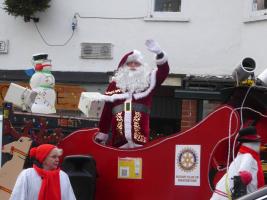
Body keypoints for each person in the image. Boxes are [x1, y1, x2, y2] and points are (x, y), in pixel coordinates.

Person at [95, 39, 169, 148]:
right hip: (118, 141)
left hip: (140, 141)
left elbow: (163, 72)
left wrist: (160, 54)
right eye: (130, 63)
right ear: (123, 67)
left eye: (137, 63)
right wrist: (102, 134)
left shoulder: (147, 82)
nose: (133, 66)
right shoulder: (114, 85)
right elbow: (106, 112)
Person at [210, 126, 264, 200]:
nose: (259, 145)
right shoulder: (248, 156)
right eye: (257, 142)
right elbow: (243, 175)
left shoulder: (240, 156)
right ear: (252, 143)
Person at [10, 144, 76, 200]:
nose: (57, 160)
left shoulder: (63, 176)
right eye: (54, 157)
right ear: (43, 158)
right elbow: (17, 197)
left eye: (58, 157)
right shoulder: (27, 175)